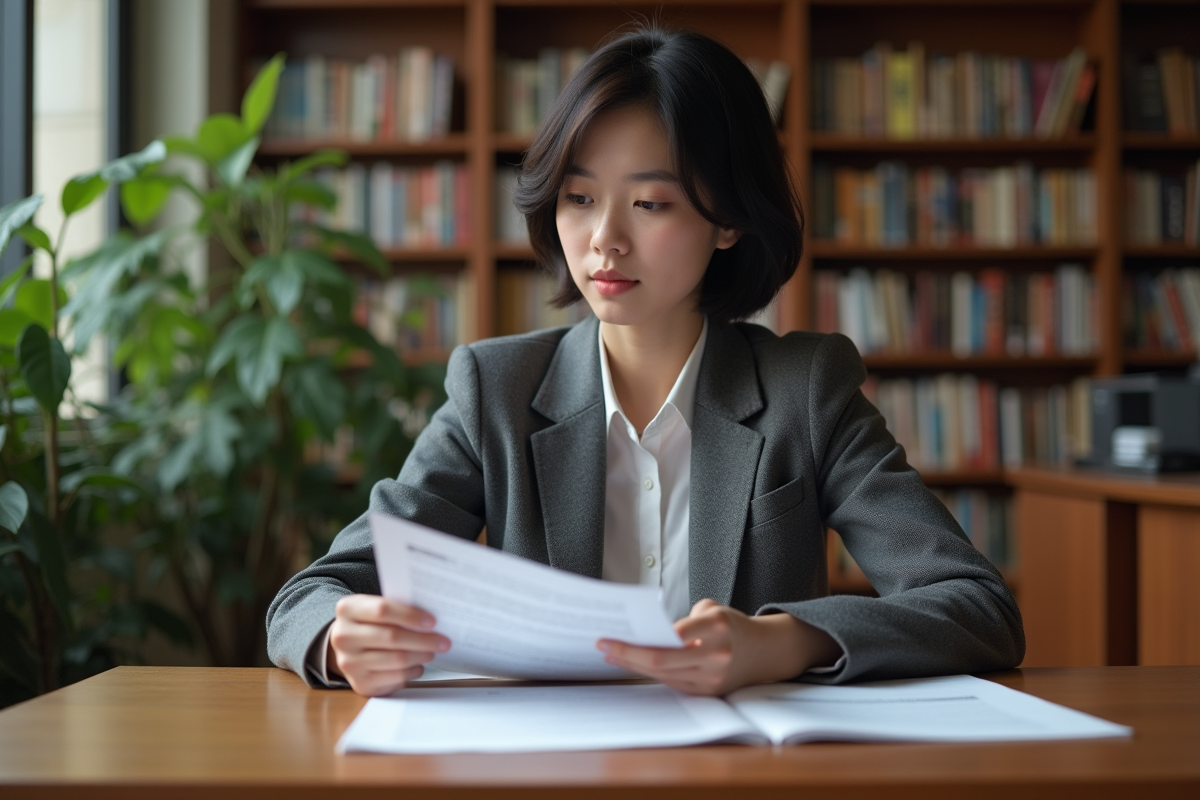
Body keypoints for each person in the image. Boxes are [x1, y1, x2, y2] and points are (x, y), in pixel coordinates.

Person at [266, 26, 1024, 697]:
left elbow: (975, 605)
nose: (605, 241)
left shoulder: (806, 392)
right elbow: (311, 595)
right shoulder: (495, 392)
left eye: (651, 204)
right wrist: (341, 642)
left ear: (726, 219)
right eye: (579, 198)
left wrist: (783, 642)